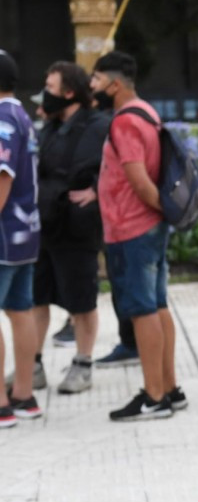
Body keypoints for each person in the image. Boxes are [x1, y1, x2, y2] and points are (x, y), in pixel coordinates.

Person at [91, 51, 184, 421]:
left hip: (132, 227)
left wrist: (158, 210)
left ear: (114, 84)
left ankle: (153, 395)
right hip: (149, 227)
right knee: (158, 304)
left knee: (142, 311)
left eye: (96, 81)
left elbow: (140, 182)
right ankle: (170, 387)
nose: (92, 87)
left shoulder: (124, 122)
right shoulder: (147, 111)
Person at [30, 61, 110, 394]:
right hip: (45, 225)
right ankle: (31, 364)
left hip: (77, 227)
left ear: (69, 92)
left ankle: (83, 363)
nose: (45, 96)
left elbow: (114, 168)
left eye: (50, 88)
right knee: (37, 297)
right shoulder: (48, 126)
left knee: (82, 300)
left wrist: (96, 191)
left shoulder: (98, 125)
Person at [0, 48, 44, 427]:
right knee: (20, 311)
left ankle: (1, 403)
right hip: (26, 232)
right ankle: (25, 394)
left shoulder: (1, 120)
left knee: (14, 311)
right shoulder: (22, 116)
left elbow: (2, 178)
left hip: (2, 233)